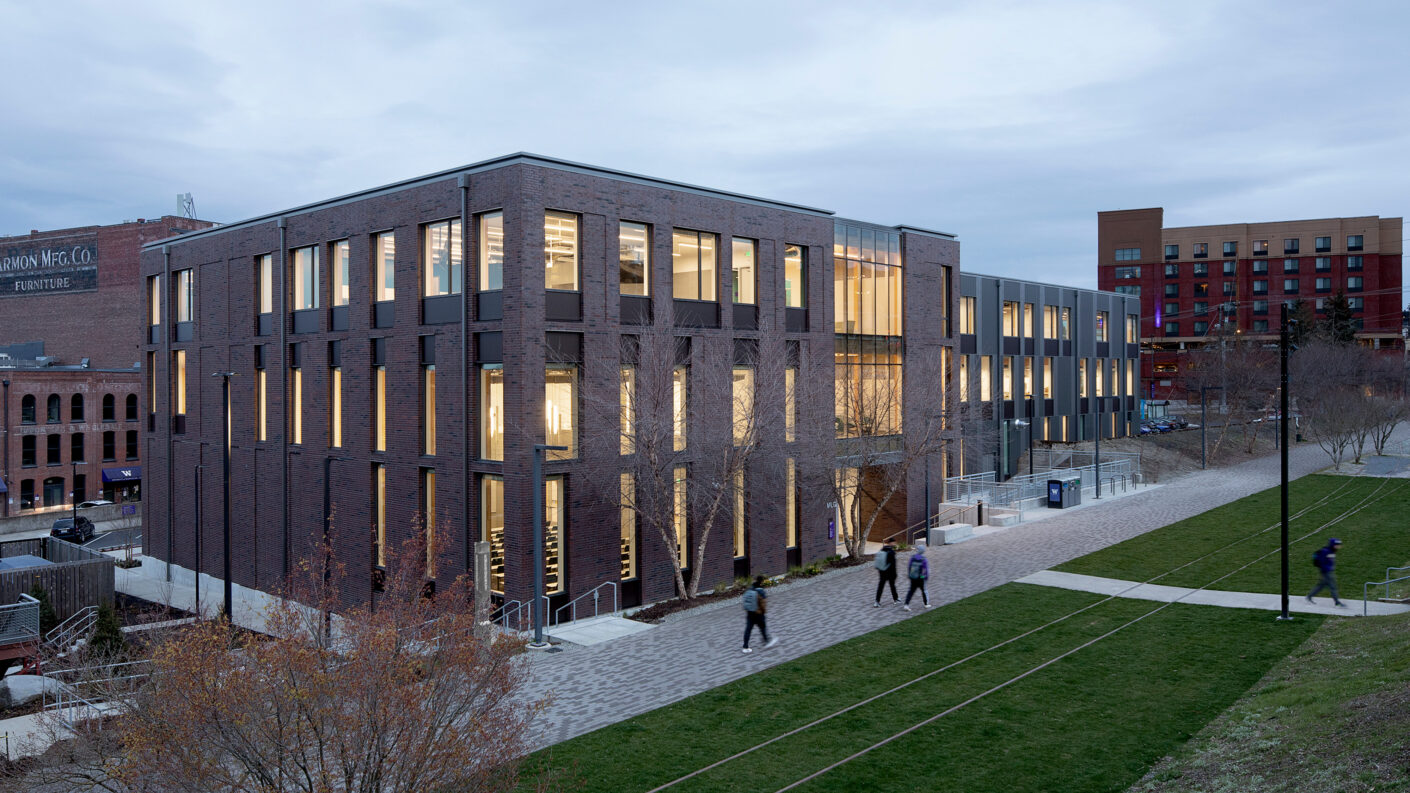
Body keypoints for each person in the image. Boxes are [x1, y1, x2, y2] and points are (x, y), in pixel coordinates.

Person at [741, 576, 778, 653]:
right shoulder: (761, 591)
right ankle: (767, 642)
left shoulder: (750, 588)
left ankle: (745, 647)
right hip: (758, 614)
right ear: (761, 582)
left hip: (750, 613)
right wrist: (763, 612)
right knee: (763, 627)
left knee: (748, 629)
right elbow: (763, 604)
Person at [1307, 537, 1346, 608]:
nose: (1338, 546)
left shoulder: (1332, 551)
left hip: (1328, 571)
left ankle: (1309, 596)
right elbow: (1321, 562)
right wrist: (1327, 569)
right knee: (1333, 587)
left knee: (1321, 585)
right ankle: (1337, 603)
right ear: (1332, 544)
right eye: (1336, 545)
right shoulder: (1326, 551)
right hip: (1327, 572)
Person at [903, 544, 931, 611]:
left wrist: (910, 575)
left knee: (911, 591)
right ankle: (926, 604)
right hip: (920, 577)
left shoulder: (912, 557)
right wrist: (925, 577)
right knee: (924, 590)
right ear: (923, 551)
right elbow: (926, 570)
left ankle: (906, 604)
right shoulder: (923, 559)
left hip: (913, 577)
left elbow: (909, 566)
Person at [874, 543, 899, 607]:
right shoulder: (891, 553)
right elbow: (893, 565)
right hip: (890, 573)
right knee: (892, 586)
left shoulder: (881, 551)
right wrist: (895, 574)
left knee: (880, 587)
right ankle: (896, 599)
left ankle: (877, 601)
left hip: (882, 572)